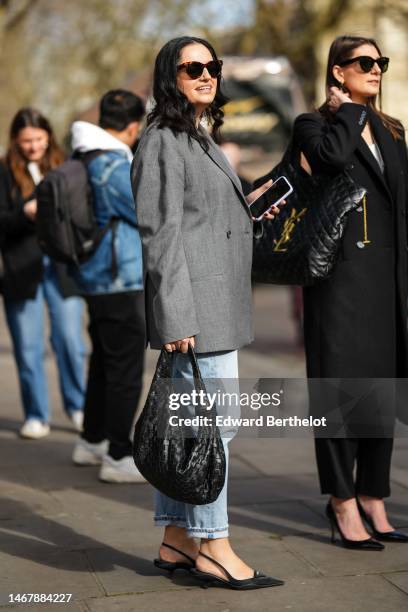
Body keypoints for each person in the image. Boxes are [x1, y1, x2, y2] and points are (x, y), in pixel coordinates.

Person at [131, 36, 284, 590]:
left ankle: (175, 541)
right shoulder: (162, 141)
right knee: (215, 429)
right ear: (168, 75)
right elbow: (161, 234)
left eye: (211, 66)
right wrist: (175, 319)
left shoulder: (199, 136)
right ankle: (213, 545)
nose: (205, 74)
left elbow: (202, 218)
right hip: (195, 314)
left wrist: (251, 201)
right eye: (191, 66)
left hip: (213, 306)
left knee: (187, 430)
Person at [293, 35, 408, 547]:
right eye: (365, 62)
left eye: (380, 62)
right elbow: (334, 159)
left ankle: (373, 496)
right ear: (337, 72)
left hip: (389, 278)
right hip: (338, 280)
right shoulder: (314, 125)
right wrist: (349, 114)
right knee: (340, 391)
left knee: (382, 387)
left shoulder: (393, 130)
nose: (376, 69)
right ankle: (341, 501)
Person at [70, 90, 146, 484]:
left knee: (103, 363)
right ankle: (118, 454)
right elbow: (146, 211)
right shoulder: (113, 165)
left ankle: (91, 439)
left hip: (96, 279)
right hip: (120, 279)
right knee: (125, 371)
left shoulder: (83, 156)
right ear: (133, 128)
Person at [0, 108, 86, 439]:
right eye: (26, 142)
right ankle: (36, 414)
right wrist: (24, 213)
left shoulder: (65, 165)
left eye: (38, 139)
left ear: (48, 136)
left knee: (69, 341)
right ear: (15, 141)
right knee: (28, 347)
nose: (33, 147)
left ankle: (77, 406)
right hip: (21, 269)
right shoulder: (4, 171)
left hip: (61, 267)